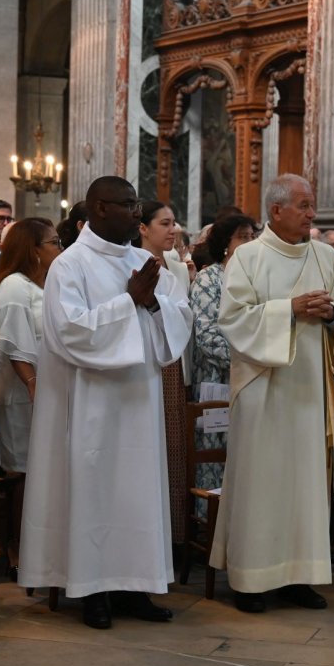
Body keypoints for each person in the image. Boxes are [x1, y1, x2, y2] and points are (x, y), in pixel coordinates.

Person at [18, 176, 192, 630]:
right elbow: (70, 332)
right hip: (90, 401)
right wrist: (128, 302)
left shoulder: (143, 261)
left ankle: (134, 585)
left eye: (137, 205)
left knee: (137, 492)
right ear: (98, 208)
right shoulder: (69, 266)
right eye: (127, 205)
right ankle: (92, 590)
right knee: (93, 491)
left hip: (138, 399)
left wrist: (153, 305)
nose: (137, 214)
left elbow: (177, 320)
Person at [210, 174, 334, 613]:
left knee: (304, 484)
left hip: (310, 389)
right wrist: (288, 310)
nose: (312, 214)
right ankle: (251, 579)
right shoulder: (249, 258)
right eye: (304, 205)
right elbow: (232, 320)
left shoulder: (326, 255)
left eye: (312, 205)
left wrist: (331, 314)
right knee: (262, 482)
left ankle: (300, 575)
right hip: (263, 389)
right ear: (276, 210)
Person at [0, 219, 61, 578]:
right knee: (25, 472)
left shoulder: (43, 285)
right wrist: (32, 383)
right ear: (33, 249)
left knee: (45, 472)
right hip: (24, 396)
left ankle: (43, 548)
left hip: (49, 392)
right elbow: (11, 342)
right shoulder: (14, 286)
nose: (59, 248)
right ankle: (17, 551)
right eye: (53, 242)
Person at [137, 200, 192, 544]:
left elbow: (184, 316)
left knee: (171, 453)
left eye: (174, 224)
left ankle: (170, 537)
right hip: (141, 364)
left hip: (171, 367)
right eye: (165, 223)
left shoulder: (176, 269)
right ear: (142, 228)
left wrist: (163, 307)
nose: (173, 230)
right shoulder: (131, 264)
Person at [190, 214, 257, 490]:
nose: (250, 242)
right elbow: (206, 335)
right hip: (218, 380)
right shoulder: (209, 278)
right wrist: (253, 355)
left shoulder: (257, 278)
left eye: (253, 236)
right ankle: (211, 527)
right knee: (215, 461)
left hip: (254, 379)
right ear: (225, 244)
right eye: (243, 237)